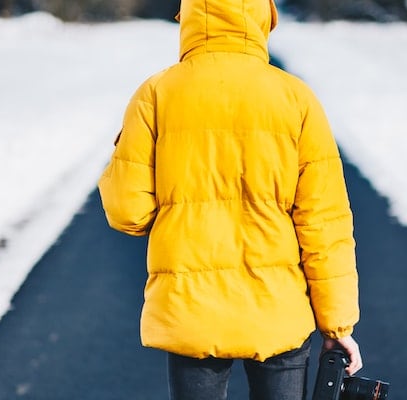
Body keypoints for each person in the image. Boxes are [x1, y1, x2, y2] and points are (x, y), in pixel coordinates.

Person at [98, 0, 360, 399]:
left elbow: (127, 211)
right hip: (279, 313)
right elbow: (325, 224)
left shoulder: (156, 93)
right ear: (262, 16)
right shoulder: (296, 98)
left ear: (189, 15)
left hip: (191, 313)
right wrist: (337, 326)